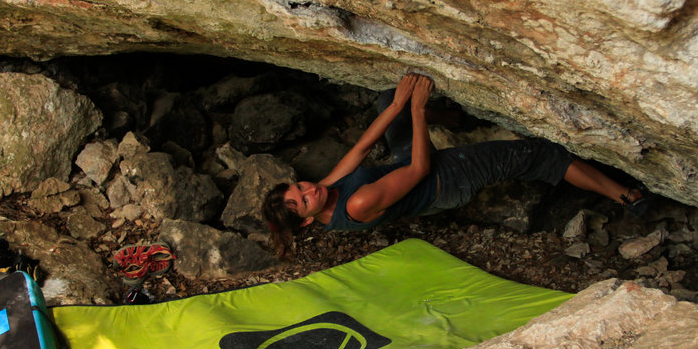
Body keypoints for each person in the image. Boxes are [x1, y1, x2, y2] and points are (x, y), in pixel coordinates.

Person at [262, 74, 649, 255]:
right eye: (304, 201)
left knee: (384, 103)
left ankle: (456, 120)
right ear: (310, 220)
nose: (310, 190)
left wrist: (398, 105)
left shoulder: (326, 190)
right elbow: (418, 170)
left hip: (405, 168)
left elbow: (362, 148)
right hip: (447, 180)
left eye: (300, 186)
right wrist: (415, 108)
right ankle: (626, 196)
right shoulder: (354, 206)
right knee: (539, 155)